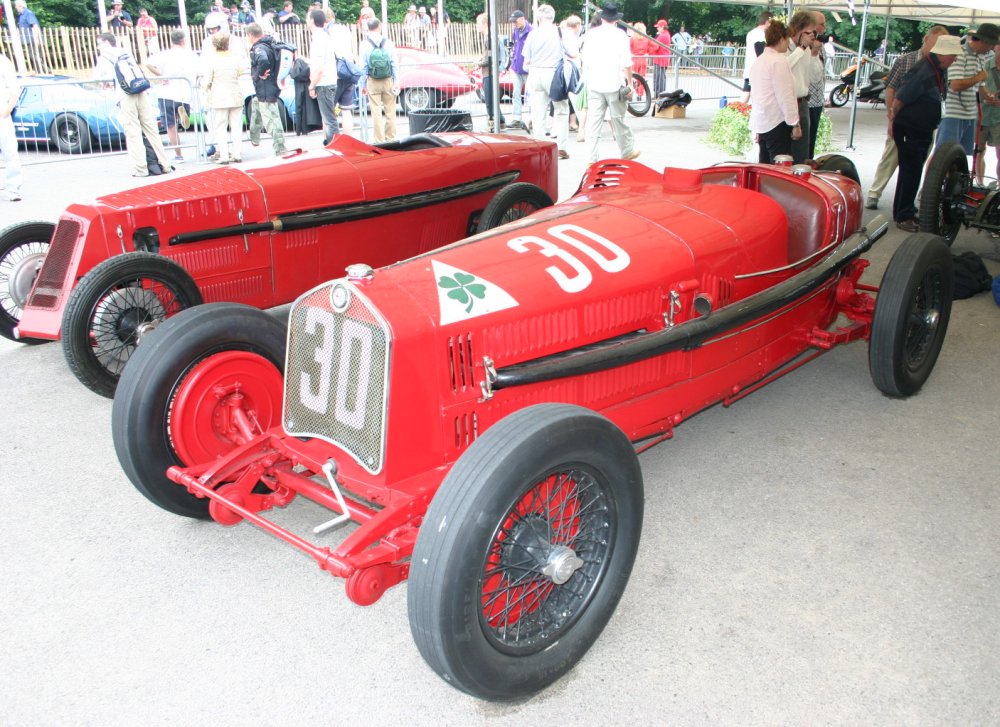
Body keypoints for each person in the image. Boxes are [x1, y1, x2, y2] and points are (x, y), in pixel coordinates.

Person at [865, 25, 948, 209]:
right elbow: (891, 89)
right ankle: (875, 193)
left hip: (924, 123)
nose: (937, 50)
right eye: (935, 44)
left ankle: (907, 201)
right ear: (926, 40)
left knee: (916, 163)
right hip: (904, 120)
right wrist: (891, 118)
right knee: (890, 157)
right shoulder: (906, 60)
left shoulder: (940, 66)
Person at [891, 34, 960, 232]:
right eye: (953, 56)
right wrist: (894, 121)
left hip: (920, 128)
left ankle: (904, 211)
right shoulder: (924, 70)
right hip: (910, 128)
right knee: (911, 171)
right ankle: (903, 215)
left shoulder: (936, 69)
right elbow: (899, 99)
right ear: (944, 54)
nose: (955, 60)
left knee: (911, 171)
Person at [95, 33, 173, 177]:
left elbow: (99, 78)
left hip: (125, 94)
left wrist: (104, 84)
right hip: (141, 90)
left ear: (106, 43)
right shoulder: (125, 52)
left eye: (99, 44)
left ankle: (141, 168)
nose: (98, 47)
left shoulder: (104, 57)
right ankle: (165, 164)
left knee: (133, 132)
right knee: (151, 129)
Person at [581, 2, 639, 164]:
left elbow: (584, 58)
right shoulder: (620, 35)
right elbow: (627, 63)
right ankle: (626, 151)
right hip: (614, 82)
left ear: (602, 17)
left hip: (594, 83)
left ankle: (591, 159)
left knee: (593, 123)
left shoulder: (591, 34)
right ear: (615, 19)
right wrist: (630, 83)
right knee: (618, 119)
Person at [934, 24, 998, 160]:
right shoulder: (959, 54)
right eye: (991, 45)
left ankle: (952, 180)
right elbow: (955, 85)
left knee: (959, 155)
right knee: (942, 156)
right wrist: (978, 77)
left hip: (970, 114)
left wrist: (988, 97)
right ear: (984, 41)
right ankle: (932, 181)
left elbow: (980, 85)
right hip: (953, 113)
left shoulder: (980, 57)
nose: (991, 49)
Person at [748, 19, 800, 164]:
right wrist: (794, 123)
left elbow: (756, 96)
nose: (788, 43)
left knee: (764, 167)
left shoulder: (759, 61)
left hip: (762, 121)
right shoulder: (779, 61)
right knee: (780, 171)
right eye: (788, 39)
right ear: (782, 38)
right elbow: (785, 96)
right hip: (776, 122)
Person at [146, 29, 199, 164]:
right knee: (180, 115)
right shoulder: (190, 55)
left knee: (170, 126)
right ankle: (182, 115)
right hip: (184, 92)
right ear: (183, 40)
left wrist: (161, 75)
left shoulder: (165, 54)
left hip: (166, 92)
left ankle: (178, 154)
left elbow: (148, 63)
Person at [522, 4, 568, 159]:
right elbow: (573, 53)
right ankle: (561, 147)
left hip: (535, 73)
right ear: (553, 17)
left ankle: (540, 147)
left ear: (540, 17)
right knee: (561, 110)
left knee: (538, 112)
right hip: (553, 73)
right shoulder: (560, 32)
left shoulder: (533, 34)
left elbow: (526, 59)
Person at [244, 23, 288, 155]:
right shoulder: (270, 44)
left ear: (251, 35)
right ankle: (254, 137)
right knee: (256, 108)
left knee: (271, 118)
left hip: (265, 87)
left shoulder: (259, 48)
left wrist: (258, 74)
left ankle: (280, 148)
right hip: (269, 86)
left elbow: (263, 60)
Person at [201, 31, 244, 164]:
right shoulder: (235, 58)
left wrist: (204, 88)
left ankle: (224, 155)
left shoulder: (212, 60)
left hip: (219, 97)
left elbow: (207, 80)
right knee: (236, 126)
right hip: (235, 95)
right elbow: (240, 71)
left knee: (220, 127)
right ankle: (237, 154)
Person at [785, 10, 816, 163]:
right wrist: (800, 48)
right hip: (788, 102)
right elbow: (784, 67)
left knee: (801, 151)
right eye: (809, 32)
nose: (812, 35)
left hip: (803, 102)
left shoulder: (808, 49)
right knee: (785, 150)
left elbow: (812, 76)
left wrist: (814, 51)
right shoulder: (786, 45)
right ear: (798, 29)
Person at [360, 18, 398, 143]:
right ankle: (391, 138)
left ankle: (379, 140)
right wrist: (396, 81)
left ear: (368, 28)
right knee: (390, 110)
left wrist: (363, 85)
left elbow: (364, 67)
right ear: (379, 26)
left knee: (376, 111)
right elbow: (394, 64)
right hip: (387, 80)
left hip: (372, 80)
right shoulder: (388, 42)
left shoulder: (364, 44)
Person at [307, 8, 341, 144]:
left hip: (324, 83)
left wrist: (311, 85)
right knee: (328, 118)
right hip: (326, 81)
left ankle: (336, 146)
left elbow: (319, 67)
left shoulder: (319, 38)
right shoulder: (322, 36)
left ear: (312, 20)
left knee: (329, 119)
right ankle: (332, 143)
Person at [476, 12, 507, 130]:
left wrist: (478, 62)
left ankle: (494, 122)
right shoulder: (491, 37)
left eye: (478, 23)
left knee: (489, 100)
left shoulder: (489, 38)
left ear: (485, 24)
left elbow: (489, 58)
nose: (477, 26)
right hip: (490, 72)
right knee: (491, 99)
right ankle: (501, 121)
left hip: (489, 72)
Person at [0, 52, 23, 202]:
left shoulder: (3, 62)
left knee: (10, 151)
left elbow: (15, 88)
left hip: (2, 113)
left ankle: (13, 188)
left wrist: (7, 109)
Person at [806, 11, 827, 160]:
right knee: (804, 143)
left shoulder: (821, 45)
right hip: (806, 102)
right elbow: (811, 76)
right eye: (822, 24)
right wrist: (814, 52)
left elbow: (821, 75)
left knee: (811, 142)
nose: (824, 28)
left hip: (817, 101)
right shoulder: (805, 46)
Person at [978, 47, 1000, 187]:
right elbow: (976, 89)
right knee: (979, 152)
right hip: (982, 116)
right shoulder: (984, 66)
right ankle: (979, 184)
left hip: (998, 118)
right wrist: (986, 98)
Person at [508, 9, 532, 130]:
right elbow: (515, 46)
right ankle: (516, 118)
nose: (514, 24)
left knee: (530, 95)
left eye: (515, 21)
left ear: (522, 19)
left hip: (527, 69)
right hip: (516, 67)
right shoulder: (516, 31)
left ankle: (530, 119)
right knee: (516, 93)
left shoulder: (532, 31)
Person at [741, 11, 770, 103]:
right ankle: (735, 112)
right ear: (767, 22)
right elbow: (761, 52)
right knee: (751, 95)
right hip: (756, 70)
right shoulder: (760, 35)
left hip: (751, 69)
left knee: (746, 93)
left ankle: (734, 112)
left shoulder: (751, 33)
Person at [14, 0, 46, 72]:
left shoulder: (28, 13)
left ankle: (45, 70)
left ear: (20, 6)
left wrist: (36, 38)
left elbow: (35, 26)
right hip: (28, 39)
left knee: (35, 55)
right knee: (32, 55)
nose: (15, 7)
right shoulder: (21, 15)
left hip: (33, 38)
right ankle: (40, 71)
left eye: (16, 5)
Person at [651, 19, 671, 97]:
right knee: (659, 78)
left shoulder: (663, 36)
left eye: (658, 27)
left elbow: (655, 46)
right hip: (660, 60)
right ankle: (658, 94)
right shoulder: (665, 34)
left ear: (663, 27)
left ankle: (659, 95)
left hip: (661, 60)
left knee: (659, 79)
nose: (657, 28)